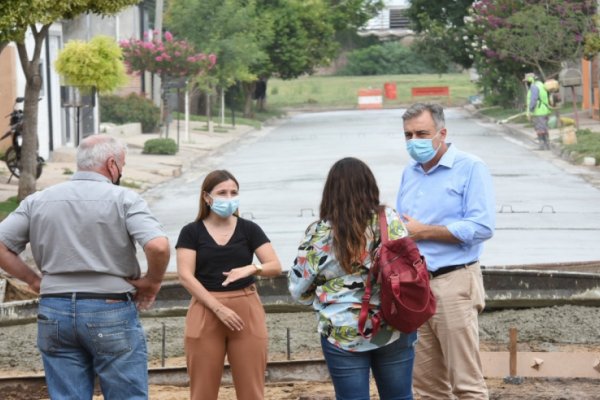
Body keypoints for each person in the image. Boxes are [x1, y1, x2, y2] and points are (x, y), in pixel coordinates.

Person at [0, 134, 170, 400]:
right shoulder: (125, 199)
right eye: (122, 165)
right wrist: (153, 281)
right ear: (112, 164)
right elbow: (158, 246)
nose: (122, 171)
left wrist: (33, 280)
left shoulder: (38, 200)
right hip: (110, 307)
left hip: (54, 309)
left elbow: (1, 245)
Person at [289, 157, 417, 400]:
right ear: (370, 186)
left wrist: (323, 298)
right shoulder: (389, 220)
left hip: (341, 328)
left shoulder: (320, 233)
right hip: (393, 322)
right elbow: (410, 265)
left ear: (330, 192)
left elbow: (298, 288)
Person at [396, 103, 495, 399]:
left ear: (442, 133)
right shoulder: (410, 172)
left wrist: (425, 231)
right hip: (416, 287)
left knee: (466, 383)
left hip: (454, 282)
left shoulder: (470, 167)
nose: (414, 141)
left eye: (422, 133)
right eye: (408, 135)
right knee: (426, 386)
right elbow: (405, 225)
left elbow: (481, 226)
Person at [176, 169, 282, 400]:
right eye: (222, 192)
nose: (229, 197)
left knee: (252, 391)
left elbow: (275, 265)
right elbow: (185, 276)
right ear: (207, 197)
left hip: (246, 309)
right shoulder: (191, 232)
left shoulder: (249, 229)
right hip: (206, 310)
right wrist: (218, 308)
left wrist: (253, 267)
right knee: (202, 392)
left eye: (234, 192)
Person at [524, 72, 553, 150]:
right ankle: (547, 145)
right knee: (544, 127)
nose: (526, 83)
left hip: (538, 111)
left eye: (527, 81)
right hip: (544, 110)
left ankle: (542, 145)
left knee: (540, 128)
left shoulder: (534, 87)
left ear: (531, 80)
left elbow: (533, 99)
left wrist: (530, 111)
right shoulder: (541, 84)